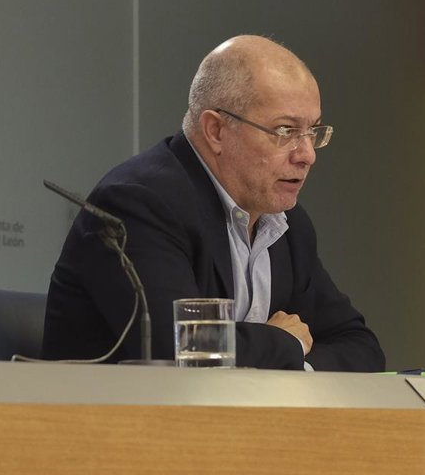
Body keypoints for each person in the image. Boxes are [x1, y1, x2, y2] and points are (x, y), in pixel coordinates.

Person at [42, 35, 385, 371]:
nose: (307, 155)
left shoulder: (287, 225)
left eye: (312, 131)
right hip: (111, 410)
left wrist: (292, 366)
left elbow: (360, 347)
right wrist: (287, 343)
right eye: (285, 131)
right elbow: (182, 350)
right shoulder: (137, 204)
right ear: (216, 131)